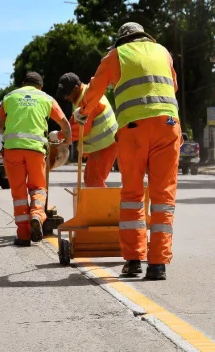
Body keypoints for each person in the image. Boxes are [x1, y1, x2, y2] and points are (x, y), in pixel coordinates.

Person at [74, 22, 181, 280]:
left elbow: (95, 89)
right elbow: (173, 87)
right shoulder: (163, 52)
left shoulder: (116, 56)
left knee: (133, 194)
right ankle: (158, 265)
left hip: (133, 130)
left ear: (122, 40)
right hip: (168, 126)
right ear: (144, 37)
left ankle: (134, 261)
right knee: (163, 198)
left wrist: (82, 112)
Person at [0, 72, 71, 247]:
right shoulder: (46, 98)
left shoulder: (9, 97)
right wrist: (66, 143)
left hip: (12, 150)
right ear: (40, 86)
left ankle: (23, 235)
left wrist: (7, 139)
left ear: (23, 84)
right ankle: (37, 216)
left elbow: (1, 122)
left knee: (19, 193)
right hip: (35, 151)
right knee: (38, 187)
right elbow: (65, 125)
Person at [52, 72, 118, 187]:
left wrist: (60, 135)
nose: (66, 97)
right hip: (102, 145)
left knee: (94, 181)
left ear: (76, 88)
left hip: (106, 144)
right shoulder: (81, 97)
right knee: (90, 179)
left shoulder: (88, 98)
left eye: (67, 94)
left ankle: (102, 205)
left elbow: (80, 128)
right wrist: (64, 139)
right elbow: (74, 122)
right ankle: (98, 204)